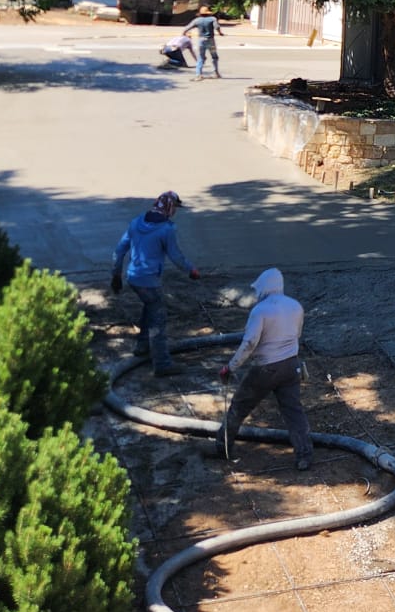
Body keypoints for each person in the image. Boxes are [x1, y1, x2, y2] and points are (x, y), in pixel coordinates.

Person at [210, 268, 313, 471]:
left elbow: (249, 343)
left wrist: (230, 367)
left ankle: (223, 447)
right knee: (293, 411)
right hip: (291, 365)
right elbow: (297, 334)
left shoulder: (261, 311)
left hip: (266, 368)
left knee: (239, 405)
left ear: (265, 287)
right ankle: (304, 456)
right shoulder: (295, 306)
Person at [112, 191, 200, 375]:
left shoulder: (136, 222)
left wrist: (116, 275)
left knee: (150, 307)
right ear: (170, 207)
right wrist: (190, 270)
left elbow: (119, 250)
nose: (175, 211)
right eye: (175, 208)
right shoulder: (167, 229)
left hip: (133, 277)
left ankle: (142, 346)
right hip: (148, 281)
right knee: (157, 320)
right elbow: (175, 255)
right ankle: (162, 364)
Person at [190, 4, 223, 79]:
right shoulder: (212, 19)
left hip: (201, 40)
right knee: (214, 56)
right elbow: (217, 27)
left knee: (201, 57)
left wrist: (183, 33)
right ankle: (216, 73)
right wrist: (220, 33)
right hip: (211, 41)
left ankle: (198, 74)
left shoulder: (197, 20)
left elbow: (188, 27)